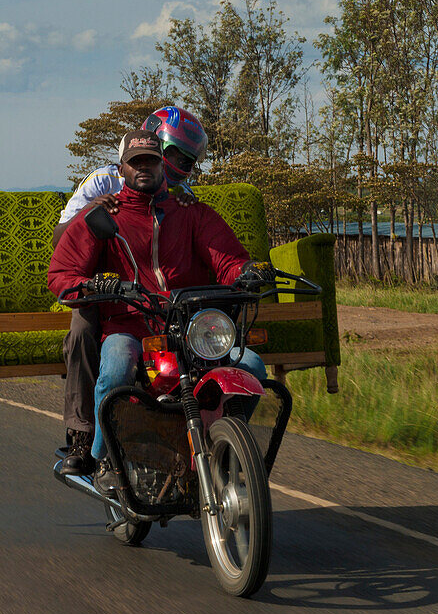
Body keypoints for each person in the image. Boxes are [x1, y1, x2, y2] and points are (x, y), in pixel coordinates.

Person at [47, 127, 271, 491]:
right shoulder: (107, 215)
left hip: (191, 328)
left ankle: (223, 449)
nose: (144, 168)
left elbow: (227, 259)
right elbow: (61, 274)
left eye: (151, 160)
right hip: (129, 324)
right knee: (117, 367)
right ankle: (105, 461)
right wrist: (94, 286)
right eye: (136, 162)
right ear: (122, 168)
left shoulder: (192, 213)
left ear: (163, 165)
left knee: (253, 367)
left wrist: (247, 272)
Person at [54, 106, 209, 475]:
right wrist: (90, 211)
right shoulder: (102, 181)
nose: (175, 163)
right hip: (95, 287)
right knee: (82, 332)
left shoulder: (179, 191)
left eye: (184, 159)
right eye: (173, 153)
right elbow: (60, 242)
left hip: (150, 299)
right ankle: (81, 434)